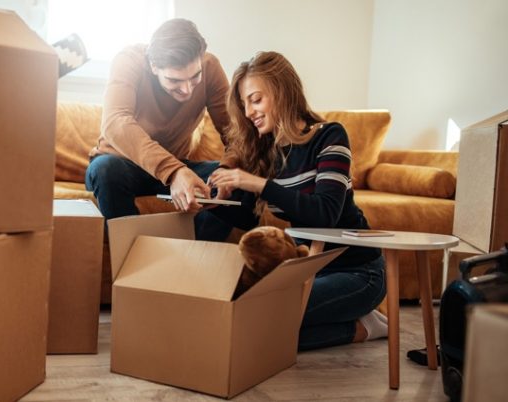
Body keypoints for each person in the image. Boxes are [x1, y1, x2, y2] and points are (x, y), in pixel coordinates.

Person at [207, 51, 388, 350]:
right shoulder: (266, 150)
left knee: (261, 324)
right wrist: (214, 204)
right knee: (243, 319)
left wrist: (258, 183)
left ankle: (365, 327)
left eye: (255, 99)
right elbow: (247, 220)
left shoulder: (329, 136)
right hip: (309, 269)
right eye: (244, 104)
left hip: (358, 271)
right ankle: (350, 320)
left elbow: (325, 213)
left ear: (281, 91)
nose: (249, 112)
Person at [85, 18, 231, 240]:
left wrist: (230, 168)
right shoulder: (129, 61)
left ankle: (196, 259)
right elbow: (115, 121)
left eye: (194, 77)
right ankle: (135, 264)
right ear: (154, 66)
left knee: (237, 181)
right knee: (106, 170)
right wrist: (174, 171)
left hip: (175, 166)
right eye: (174, 81)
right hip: (120, 166)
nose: (187, 90)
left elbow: (235, 132)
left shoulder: (211, 67)